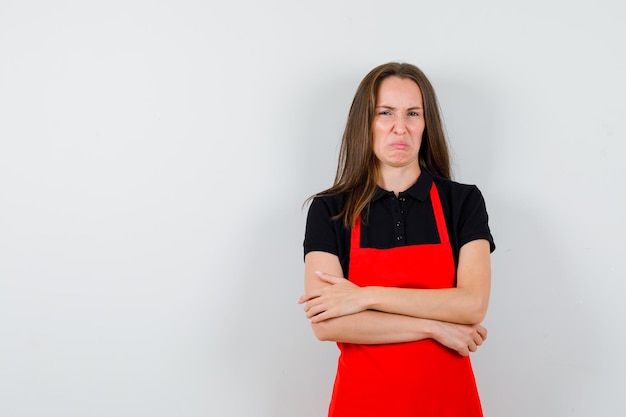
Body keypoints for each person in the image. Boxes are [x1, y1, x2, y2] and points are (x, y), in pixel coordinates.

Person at [298, 62, 495, 417]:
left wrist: (363, 296)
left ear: (426, 123)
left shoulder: (462, 202)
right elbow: (328, 323)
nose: (399, 128)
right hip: (362, 405)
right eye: (385, 112)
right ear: (365, 122)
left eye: (413, 113)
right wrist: (435, 327)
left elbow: (472, 305)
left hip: (449, 404)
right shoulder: (329, 210)